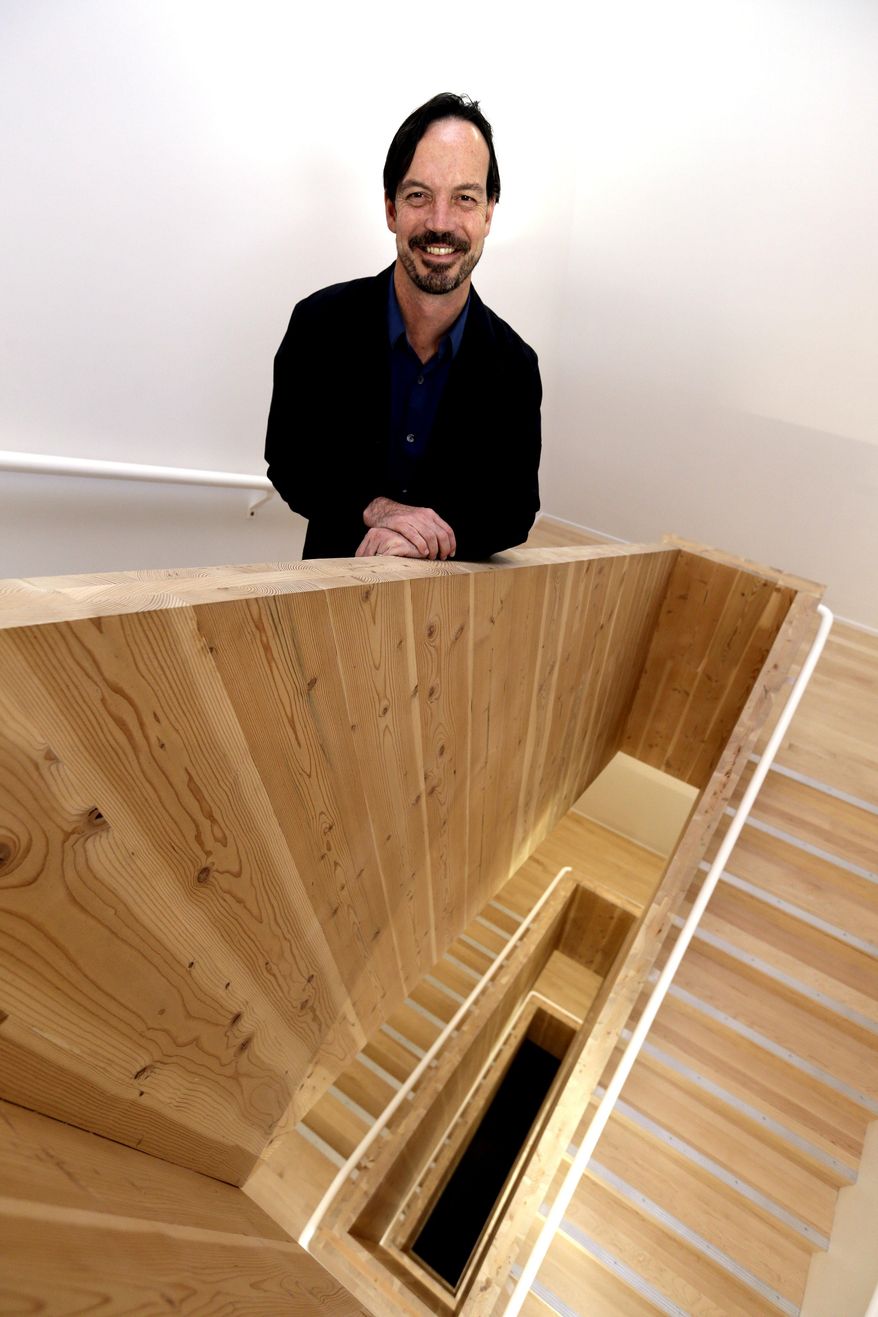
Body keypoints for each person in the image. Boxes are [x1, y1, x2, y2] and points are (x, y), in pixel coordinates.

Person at [265, 93, 541, 560]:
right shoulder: (318, 324)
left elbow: (513, 510)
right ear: (391, 209)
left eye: (465, 198)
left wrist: (423, 540)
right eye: (418, 195)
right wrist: (379, 509)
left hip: (451, 604)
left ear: (488, 213)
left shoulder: (516, 365)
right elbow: (290, 461)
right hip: (329, 593)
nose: (440, 222)